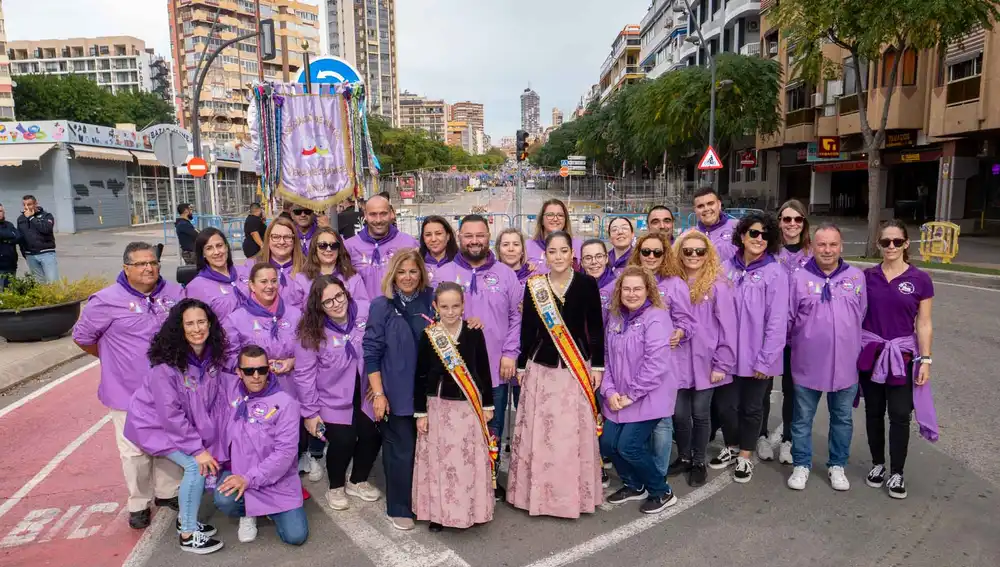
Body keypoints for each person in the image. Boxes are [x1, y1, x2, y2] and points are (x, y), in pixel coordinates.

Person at [72, 242, 184, 529]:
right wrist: (111, 361)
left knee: (168, 444)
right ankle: (139, 502)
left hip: (170, 389)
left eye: (153, 263)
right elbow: (83, 337)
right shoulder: (105, 300)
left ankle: (167, 492)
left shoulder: (174, 294)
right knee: (134, 453)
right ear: (126, 268)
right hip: (126, 393)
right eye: (140, 264)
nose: (149, 268)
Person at [509, 231, 604, 518]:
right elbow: (528, 329)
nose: (559, 256)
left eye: (564, 251)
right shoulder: (534, 285)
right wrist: (523, 365)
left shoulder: (587, 284)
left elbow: (596, 329)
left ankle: (573, 497)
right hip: (543, 369)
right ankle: (539, 497)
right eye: (553, 251)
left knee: (571, 436)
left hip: (576, 368)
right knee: (542, 435)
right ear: (545, 255)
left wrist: (598, 366)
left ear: (571, 255)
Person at [124, 299, 227, 554]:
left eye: (201, 322)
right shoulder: (166, 366)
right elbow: (170, 415)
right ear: (178, 328)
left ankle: (186, 521)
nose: (196, 328)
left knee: (198, 464)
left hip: (173, 424)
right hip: (153, 425)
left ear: (210, 324)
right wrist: (197, 448)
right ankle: (188, 534)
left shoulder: (208, 356)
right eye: (189, 323)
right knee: (196, 466)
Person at [432, 215, 522, 500]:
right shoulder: (442, 273)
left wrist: (510, 354)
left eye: (480, 235)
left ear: (488, 236)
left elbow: (516, 317)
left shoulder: (506, 274)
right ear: (459, 237)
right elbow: (432, 322)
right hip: (455, 372)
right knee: (457, 431)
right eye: (468, 235)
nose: (474, 241)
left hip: (495, 370)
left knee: (492, 429)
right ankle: (459, 482)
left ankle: (490, 481)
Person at [858, 220, 937, 500]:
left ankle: (897, 472)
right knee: (873, 412)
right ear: (878, 245)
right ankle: (878, 464)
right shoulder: (867, 277)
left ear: (906, 244)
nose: (890, 246)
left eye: (896, 241)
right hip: (872, 354)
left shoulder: (920, 280)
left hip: (902, 356)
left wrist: (925, 359)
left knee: (901, 414)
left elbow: (924, 324)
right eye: (885, 242)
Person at [710, 212, 789, 484]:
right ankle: (731, 446)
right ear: (742, 235)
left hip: (757, 356)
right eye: (754, 233)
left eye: (765, 235)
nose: (759, 239)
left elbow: (777, 322)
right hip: (727, 355)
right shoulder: (724, 268)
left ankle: (745, 455)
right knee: (726, 406)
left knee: (752, 407)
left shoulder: (775, 272)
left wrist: (766, 360)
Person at [786, 224, 866, 492]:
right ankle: (801, 464)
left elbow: (861, 314)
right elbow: (788, 318)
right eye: (822, 244)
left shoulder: (856, 277)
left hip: (845, 365)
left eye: (833, 244)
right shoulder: (798, 278)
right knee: (802, 418)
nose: (827, 250)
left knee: (842, 418)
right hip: (807, 363)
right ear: (814, 246)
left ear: (841, 246)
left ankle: (837, 465)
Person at [413, 282, 496, 531]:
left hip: (468, 406)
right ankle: (439, 514)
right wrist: (421, 412)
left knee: (466, 460)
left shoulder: (473, 332)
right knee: (441, 462)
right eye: (445, 307)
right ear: (436, 307)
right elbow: (421, 375)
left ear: (463, 306)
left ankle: (471, 510)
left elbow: (483, 369)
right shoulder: (430, 335)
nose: (450, 312)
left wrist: (488, 404)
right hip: (439, 406)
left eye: (456, 306)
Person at [294, 276, 382, 508]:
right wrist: (310, 413)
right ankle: (335, 487)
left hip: (364, 393)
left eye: (339, 296)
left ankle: (358, 480)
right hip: (331, 399)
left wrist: (380, 386)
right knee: (342, 440)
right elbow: (304, 374)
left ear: (346, 292)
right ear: (318, 306)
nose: (336, 304)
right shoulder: (311, 331)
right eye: (328, 302)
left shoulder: (366, 310)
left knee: (372, 434)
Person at [363, 249, 434, 531]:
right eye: (401, 271)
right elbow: (371, 352)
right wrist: (378, 393)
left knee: (428, 450)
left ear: (421, 274)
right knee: (400, 452)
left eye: (413, 271)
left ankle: (427, 502)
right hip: (397, 392)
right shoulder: (381, 306)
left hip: (430, 391)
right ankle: (399, 506)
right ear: (393, 274)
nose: (407, 277)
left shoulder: (432, 300)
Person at [601, 266, 678, 514]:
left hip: (648, 396)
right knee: (607, 444)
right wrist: (609, 391)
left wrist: (631, 395)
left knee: (629, 446)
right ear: (619, 291)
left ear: (648, 290)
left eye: (637, 289)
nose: (631, 294)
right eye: (626, 288)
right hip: (619, 396)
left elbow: (656, 363)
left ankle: (661, 491)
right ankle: (634, 485)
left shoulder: (656, 317)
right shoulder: (614, 317)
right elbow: (607, 357)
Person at [215, 344, 308, 546]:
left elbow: (285, 454)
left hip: (275, 479)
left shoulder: (286, 403)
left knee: (296, 537)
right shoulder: (230, 390)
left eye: (262, 370)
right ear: (239, 372)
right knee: (223, 500)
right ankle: (248, 513)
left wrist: (248, 479)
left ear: (269, 369)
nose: (256, 376)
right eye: (249, 371)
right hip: (239, 473)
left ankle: (266, 509)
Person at [670, 230, 737, 487]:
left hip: (706, 362)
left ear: (708, 253)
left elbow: (728, 328)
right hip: (677, 361)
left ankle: (698, 460)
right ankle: (684, 457)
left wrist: (722, 363)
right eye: (688, 251)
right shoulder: (672, 282)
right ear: (680, 253)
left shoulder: (719, 285)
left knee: (700, 414)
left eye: (700, 251)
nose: (694, 255)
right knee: (679, 414)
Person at [627, 232, 695, 478]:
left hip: (664, 362)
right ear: (639, 253)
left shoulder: (675, 284)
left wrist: (679, 331)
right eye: (646, 252)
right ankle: (641, 468)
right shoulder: (628, 279)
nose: (651, 257)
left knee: (662, 420)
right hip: (633, 362)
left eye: (657, 252)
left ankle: (658, 473)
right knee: (637, 418)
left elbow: (687, 321)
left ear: (665, 255)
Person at [763, 199, 813, 464]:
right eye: (786, 219)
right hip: (769, 331)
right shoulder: (768, 251)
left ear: (804, 223)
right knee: (762, 385)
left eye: (798, 219)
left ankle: (789, 439)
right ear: (779, 221)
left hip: (801, 334)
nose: (792, 224)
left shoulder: (813, 254)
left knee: (794, 389)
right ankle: (759, 435)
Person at [223, 264, 303, 396]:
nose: (270, 286)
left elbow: (309, 352)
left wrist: (293, 362)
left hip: (292, 390)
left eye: (273, 281)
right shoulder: (235, 320)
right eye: (263, 282)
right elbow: (229, 359)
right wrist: (257, 367)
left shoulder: (296, 315)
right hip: (255, 395)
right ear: (252, 285)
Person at [346, 194, 419, 300]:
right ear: (365, 215)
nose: (379, 220)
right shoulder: (349, 246)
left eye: (383, 214)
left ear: (391, 214)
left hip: (400, 313)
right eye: (373, 214)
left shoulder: (409, 243)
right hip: (364, 314)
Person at [184, 228, 247, 321]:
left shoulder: (245, 271)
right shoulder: (196, 287)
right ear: (203, 254)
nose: (217, 252)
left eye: (219, 245)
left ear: (226, 247)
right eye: (209, 248)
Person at [243, 216, 307, 308]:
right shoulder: (251, 266)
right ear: (268, 239)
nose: (281, 242)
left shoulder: (307, 268)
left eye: (287, 237)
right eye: (276, 237)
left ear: (294, 240)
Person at [302, 226, 368, 303]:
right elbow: (295, 309)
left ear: (339, 249)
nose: (328, 249)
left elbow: (363, 306)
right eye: (323, 245)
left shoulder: (353, 277)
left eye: (334, 245)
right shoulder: (302, 278)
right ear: (314, 248)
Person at [524, 199, 582, 273]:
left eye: (560, 215)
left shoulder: (578, 245)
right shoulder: (527, 246)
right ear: (541, 220)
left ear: (565, 220)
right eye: (550, 215)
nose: (555, 219)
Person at [17, 194, 59, 283]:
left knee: (53, 282)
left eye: (29, 204)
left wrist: (31, 218)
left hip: (46, 253)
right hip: (30, 255)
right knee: (39, 283)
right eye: (24, 205)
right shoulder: (21, 219)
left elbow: (46, 229)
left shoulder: (46, 216)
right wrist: (25, 254)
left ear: (36, 204)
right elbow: (21, 237)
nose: (26, 207)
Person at [693, 187, 738, 262]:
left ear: (719, 204)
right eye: (700, 206)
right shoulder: (689, 235)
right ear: (695, 210)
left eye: (710, 203)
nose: (706, 209)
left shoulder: (737, 227)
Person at [579, 238, 615, 319]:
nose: (594, 262)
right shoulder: (576, 287)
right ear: (581, 263)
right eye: (588, 258)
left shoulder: (618, 286)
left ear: (606, 258)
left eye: (599, 256)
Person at [419, 215, 458, 281]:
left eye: (438, 234)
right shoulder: (417, 263)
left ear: (448, 236)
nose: (433, 239)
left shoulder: (461, 262)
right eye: (428, 235)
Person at [0, 203, 19, 290]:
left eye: (0, 211)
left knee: (10, 292)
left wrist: (6, 239)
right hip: (1, 266)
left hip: (11, 264)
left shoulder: (9, 224)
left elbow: (19, 237)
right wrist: (11, 236)